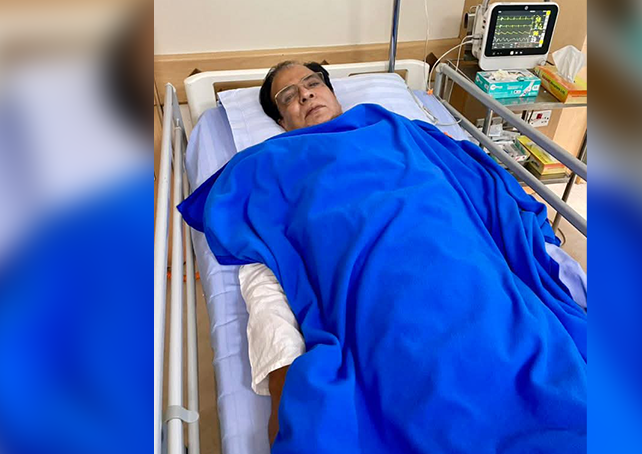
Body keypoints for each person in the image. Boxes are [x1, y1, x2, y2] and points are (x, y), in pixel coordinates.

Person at [241, 60, 587, 447]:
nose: (305, 94)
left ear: (331, 92)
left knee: (529, 350)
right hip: (374, 274)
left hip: (454, 248)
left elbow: (471, 177)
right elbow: (257, 229)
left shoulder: (396, 127)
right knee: (417, 369)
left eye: (312, 83)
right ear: (280, 119)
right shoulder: (274, 161)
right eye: (288, 96)